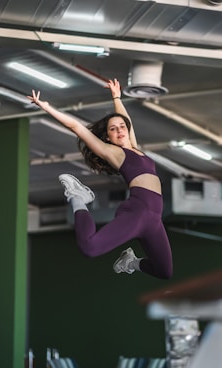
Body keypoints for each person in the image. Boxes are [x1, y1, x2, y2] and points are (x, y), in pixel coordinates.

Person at [27, 79, 173, 279]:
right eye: (113, 129)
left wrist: (116, 97)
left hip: (155, 219)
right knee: (89, 248)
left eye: (122, 127)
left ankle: (130, 262)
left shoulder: (136, 149)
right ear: (108, 138)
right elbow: (77, 127)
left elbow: (125, 118)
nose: (120, 130)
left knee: (164, 271)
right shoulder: (115, 153)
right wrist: (46, 107)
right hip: (138, 212)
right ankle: (78, 198)